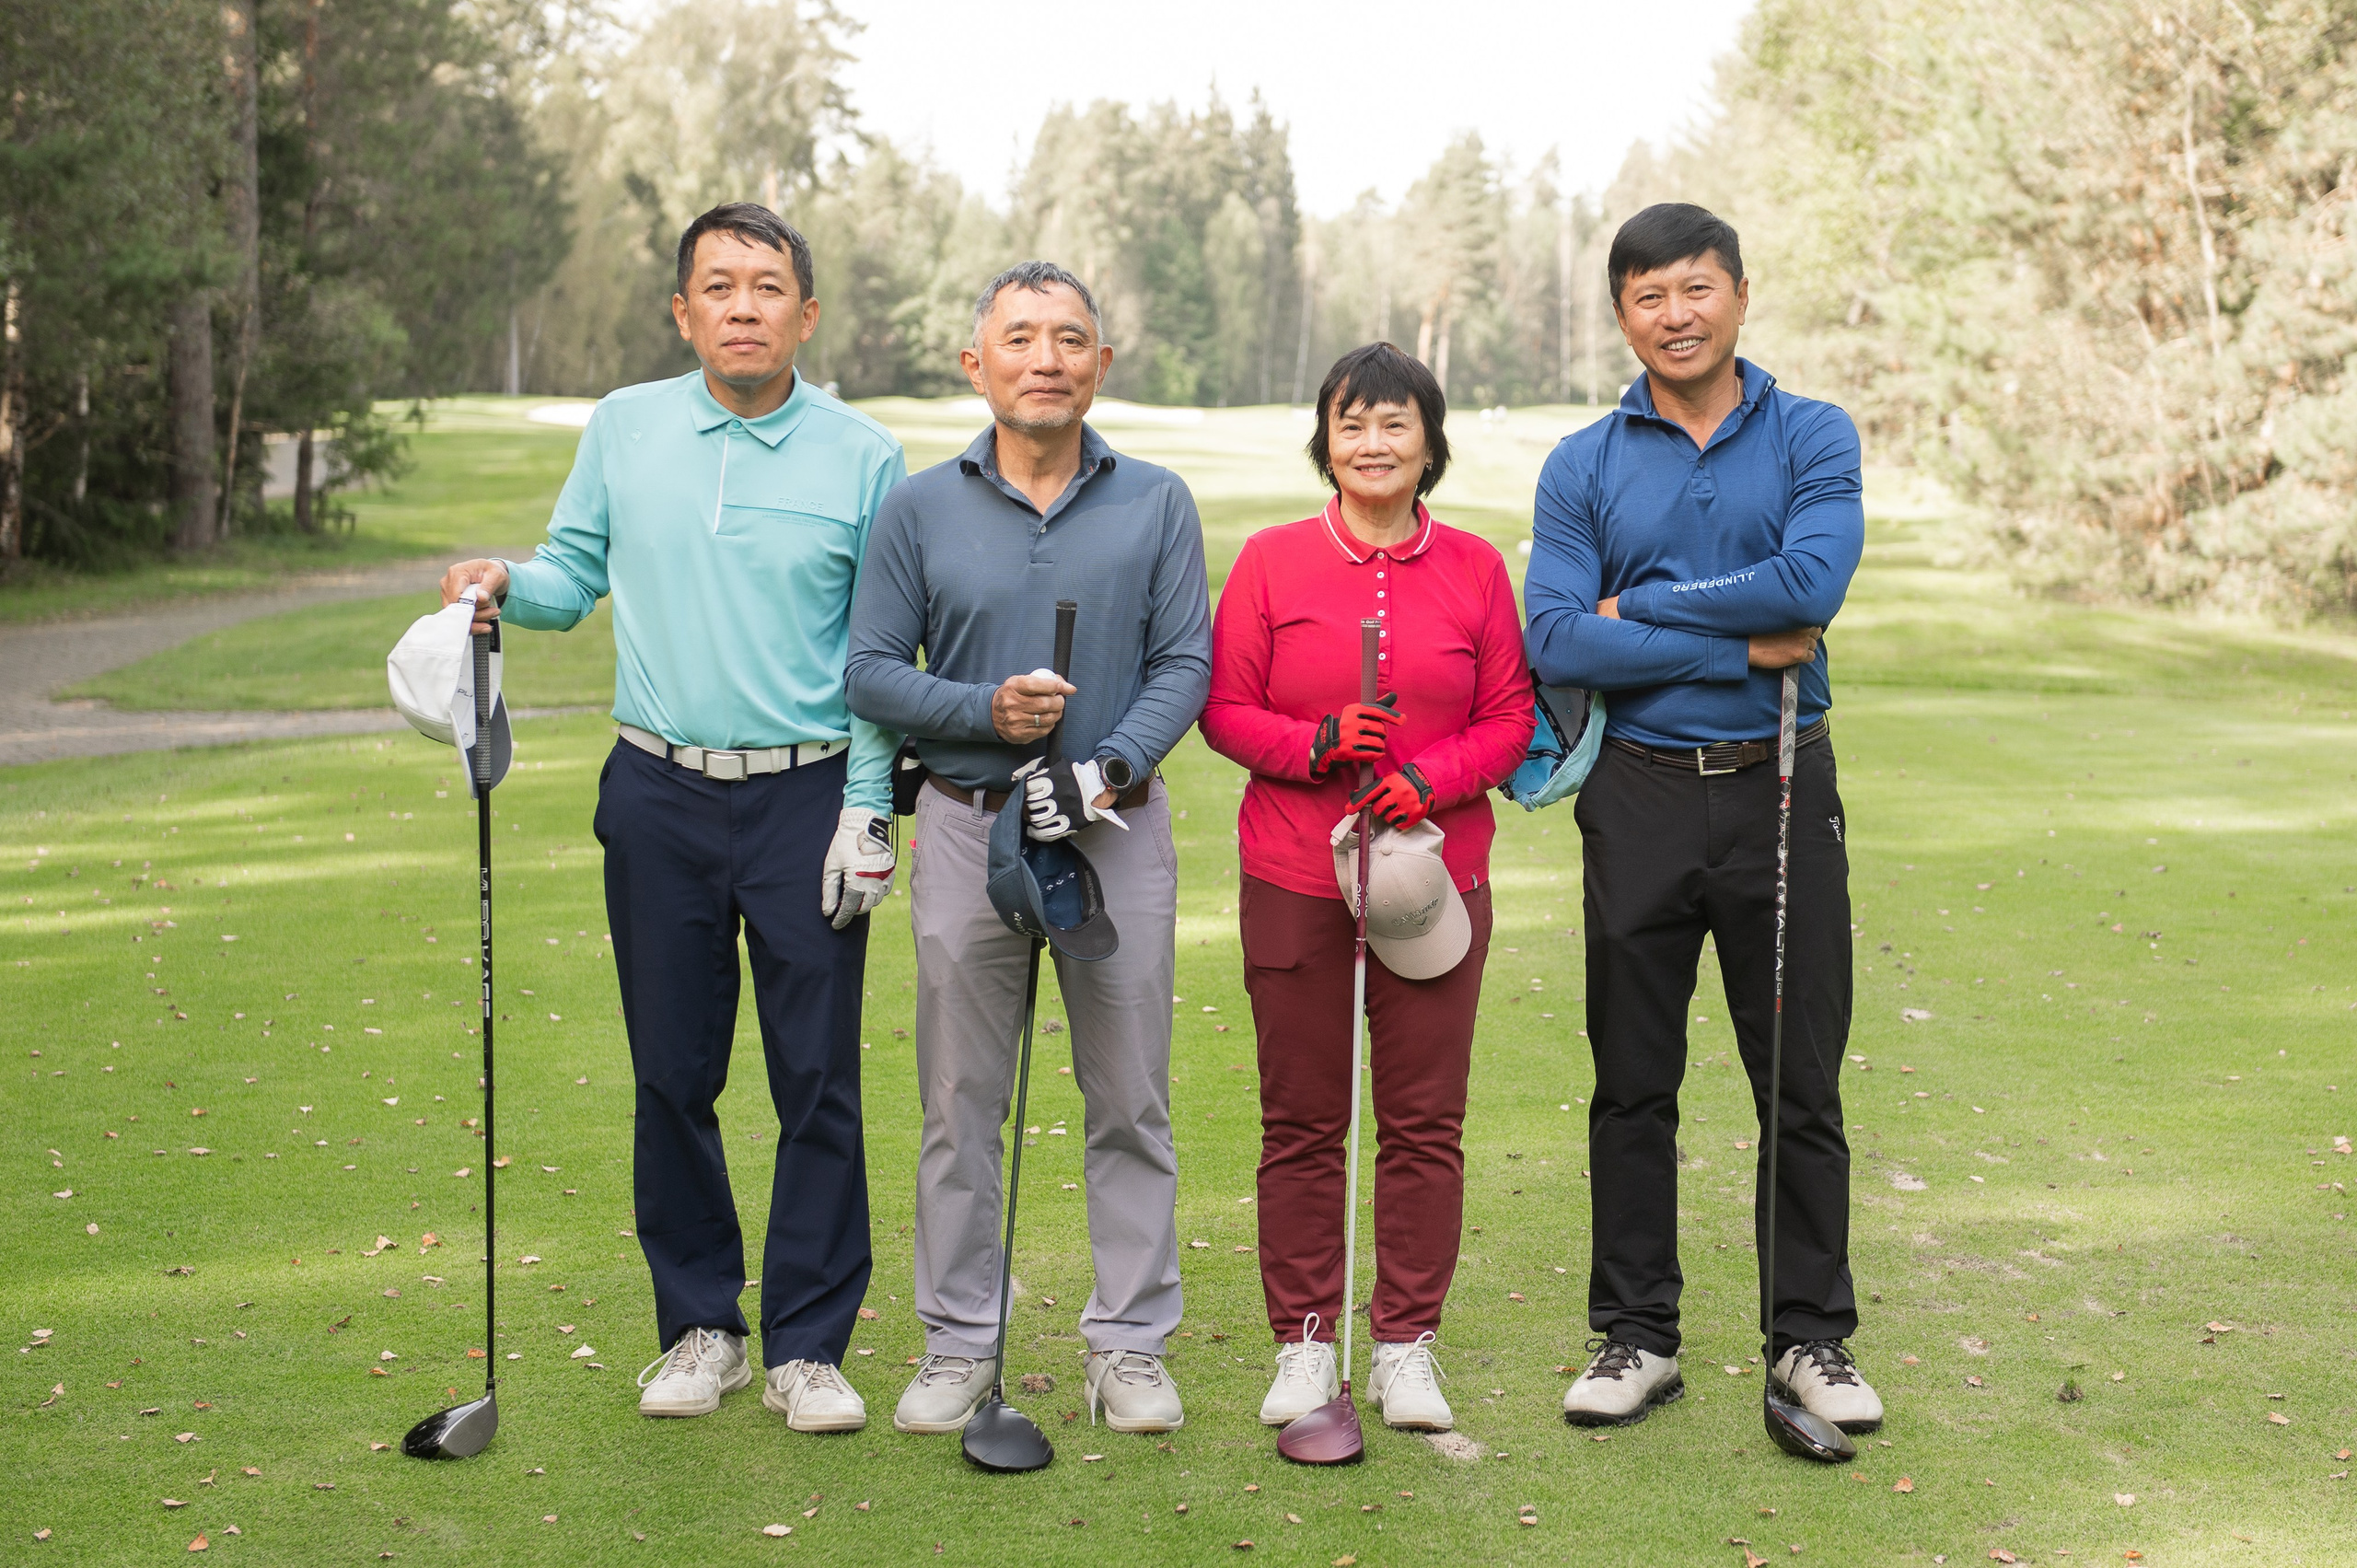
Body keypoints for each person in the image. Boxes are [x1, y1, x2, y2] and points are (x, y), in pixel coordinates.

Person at [435, 203, 903, 1434]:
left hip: (809, 793)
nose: (743, 306)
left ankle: (809, 1343)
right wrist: (504, 584)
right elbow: (572, 574)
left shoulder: (864, 455)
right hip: (658, 792)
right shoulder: (624, 426)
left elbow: (878, 651)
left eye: (768, 286)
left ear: (807, 313)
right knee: (671, 1072)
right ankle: (702, 1324)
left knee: (818, 1080)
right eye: (719, 285)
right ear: (681, 310)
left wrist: (869, 807)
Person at [1524, 203, 1879, 1433]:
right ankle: (1637, 1333)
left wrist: (1644, 619)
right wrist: (1731, 636)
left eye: (1696, 288)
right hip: (1638, 795)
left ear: (1738, 292)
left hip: (1784, 777)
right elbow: (1558, 636)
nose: (1675, 315)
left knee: (1799, 1074)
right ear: (1621, 313)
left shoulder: (1814, 433)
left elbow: (1812, 587)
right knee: (1633, 1076)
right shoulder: (1582, 462)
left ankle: (1810, 1339)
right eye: (1647, 296)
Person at [845, 261, 1212, 1436]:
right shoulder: (916, 506)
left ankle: (1130, 1344)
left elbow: (1183, 665)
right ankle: (959, 1340)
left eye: (1069, 338)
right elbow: (868, 670)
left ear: (1102, 363)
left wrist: (1104, 768)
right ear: (976, 363)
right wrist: (979, 712)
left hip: (1112, 828)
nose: (1044, 358)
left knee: (1129, 1096)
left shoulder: (1155, 501)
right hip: (964, 824)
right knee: (959, 1099)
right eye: (1019, 338)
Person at [1200, 343, 1532, 1433]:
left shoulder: (1476, 568)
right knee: (1300, 1117)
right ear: (1325, 441)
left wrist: (1427, 774)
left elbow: (1508, 718)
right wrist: (1320, 742)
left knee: (1423, 1119)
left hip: (1433, 871)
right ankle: (1304, 1341)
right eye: (1352, 423)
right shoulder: (1269, 560)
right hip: (1295, 866)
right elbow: (1225, 709)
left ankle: (1402, 1344)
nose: (1373, 443)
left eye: (1395, 423)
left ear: (1429, 441)